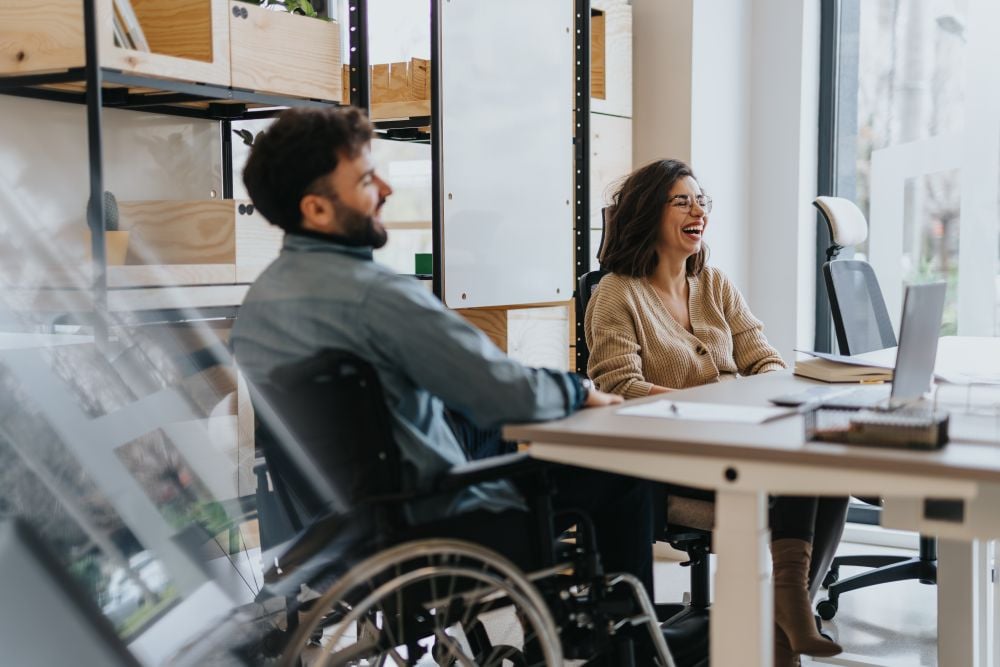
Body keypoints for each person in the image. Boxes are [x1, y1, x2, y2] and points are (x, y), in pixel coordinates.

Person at [230, 106, 664, 609]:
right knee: (623, 473)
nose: (386, 191)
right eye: (368, 179)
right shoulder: (377, 295)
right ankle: (624, 640)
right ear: (317, 209)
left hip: (340, 535)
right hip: (439, 527)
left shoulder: (256, 310)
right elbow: (502, 392)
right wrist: (578, 388)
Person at [584, 158, 848, 666]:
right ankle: (782, 626)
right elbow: (619, 387)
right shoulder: (617, 292)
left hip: (740, 439)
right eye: (681, 200)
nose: (697, 210)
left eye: (702, 200)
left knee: (829, 470)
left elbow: (763, 355)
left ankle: (785, 618)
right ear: (646, 213)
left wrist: (762, 396)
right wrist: (712, 407)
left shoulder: (715, 284)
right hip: (677, 459)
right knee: (807, 472)